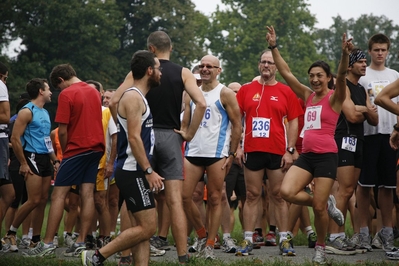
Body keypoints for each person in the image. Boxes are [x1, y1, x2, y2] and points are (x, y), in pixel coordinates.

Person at [108, 31, 206, 263]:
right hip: (171, 136)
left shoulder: (139, 72)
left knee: (132, 200)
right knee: (175, 200)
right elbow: (200, 102)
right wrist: (189, 134)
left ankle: (125, 255)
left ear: (151, 49)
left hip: (144, 137)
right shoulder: (183, 72)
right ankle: (182, 256)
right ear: (170, 48)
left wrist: (123, 127)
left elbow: (113, 101)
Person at [266, 25, 352, 264]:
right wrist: (273, 46)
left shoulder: (335, 98)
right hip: (307, 156)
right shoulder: (307, 96)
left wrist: (345, 55)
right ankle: (325, 201)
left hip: (326, 157)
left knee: (320, 209)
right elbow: (286, 73)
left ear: (328, 79)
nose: (314, 79)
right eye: (312, 75)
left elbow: (343, 75)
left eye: (319, 76)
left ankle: (321, 248)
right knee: (286, 192)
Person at [81, 50, 164, 266]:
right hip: (135, 170)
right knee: (148, 228)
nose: (161, 73)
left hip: (134, 169)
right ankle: (97, 256)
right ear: (149, 71)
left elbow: (116, 104)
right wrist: (149, 171)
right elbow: (135, 139)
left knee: (141, 229)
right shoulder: (134, 97)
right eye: (158, 68)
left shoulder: (134, 96)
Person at [24, 64, 105, 257]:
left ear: (60, 80)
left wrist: (66, 152)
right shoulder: (94, 92)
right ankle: (81, 241)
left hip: (77, 148)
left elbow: (62, 130)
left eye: (58, 87)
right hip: (96, 148)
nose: (59, 91)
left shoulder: (67, 94)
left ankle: (47, 243)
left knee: (58, 195)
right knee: (87, 193)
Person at [235, 43, 304, 256]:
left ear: (276, 67)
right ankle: (248, 239)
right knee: (252, 195)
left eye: (270, 63)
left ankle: (284, 239)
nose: (266, 65)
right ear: (259, 65)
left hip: (277, 151)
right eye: (263, 62)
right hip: (252, 150)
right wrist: (238, 146)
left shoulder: (285, 91)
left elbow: (294, 121)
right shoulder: (246, 90)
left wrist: (290, 149)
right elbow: (237, 120)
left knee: (278, 195)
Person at [180, 55, 242, 259]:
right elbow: (185, 123)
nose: (205, 69)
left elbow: (237, 125)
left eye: (210, 66)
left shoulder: (225, 93)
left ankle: (209, 244)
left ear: (218, 70)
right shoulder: (191, 93)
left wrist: (232, 153)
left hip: (217, 154)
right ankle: (200, 234)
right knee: (184, 196)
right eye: (202, 66)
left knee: (215, 199)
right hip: (193, 152)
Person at [327, 48, 378, 254]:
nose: (365, 65)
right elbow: (351, 116)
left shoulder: (362, 89)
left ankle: (339, 235)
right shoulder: (343, 87)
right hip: (344, 138)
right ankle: (334, 237)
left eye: (366, 62)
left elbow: (375, 120)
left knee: (351, 191)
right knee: (344, 190)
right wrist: (365, 110)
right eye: (361, 62)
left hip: (359, 140)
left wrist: (363, 110)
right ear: (350, 66)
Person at [3, 79, 59, 252]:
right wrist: (23, 163)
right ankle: (11, 233)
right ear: (41, 91)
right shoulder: (27, 111)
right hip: (31, 157)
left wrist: (55, 159)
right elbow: (14, 138)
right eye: (48, 89)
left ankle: (35, 239)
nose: (51, 92)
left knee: (42, 201)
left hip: (45, 159)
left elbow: (46, 139)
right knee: (33, 199)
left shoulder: (46, 112)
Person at [356, 33, 399, 254]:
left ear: (388, 51)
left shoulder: (395, 75)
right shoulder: (364, 76)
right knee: (364, 187)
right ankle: (363, 233)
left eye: (383, 50)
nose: (380, 53)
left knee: (388, 187)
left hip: (390, 136)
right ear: (370, 51)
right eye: (376, 50)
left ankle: (386, 234)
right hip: (369, 135)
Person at [0, 62, 14, 251]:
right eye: (5, 77)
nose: (5, 81)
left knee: (9, 194)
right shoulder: (0, 85)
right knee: (9, 194)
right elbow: (5, 117)